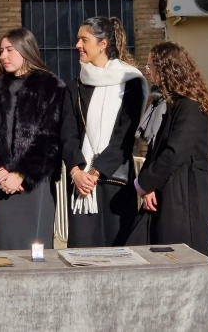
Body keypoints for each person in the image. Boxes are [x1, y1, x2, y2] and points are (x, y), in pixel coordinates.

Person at [0, 28, 65, 251]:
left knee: (35, 252)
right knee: (5, 251)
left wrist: (21, 174)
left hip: (35, 186)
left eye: (9, 50)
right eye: (1, 50)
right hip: (0, 186)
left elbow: (50, 139)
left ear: (26, 50)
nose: (3, 55)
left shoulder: (51, 87)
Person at [60, 16, 148, 248]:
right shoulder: (74, 87)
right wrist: (77, 172)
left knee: (117, 251)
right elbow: (67, 134)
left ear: (103, 44)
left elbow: (126, 134)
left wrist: (95, 172)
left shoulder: (129, 82)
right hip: (81, 183)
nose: (77, 45)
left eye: (84, 40)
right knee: (82, 252)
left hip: (114, 183)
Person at [129, 41, 208, 257]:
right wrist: (148, 187)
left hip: (184, 192)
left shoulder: (191, 106)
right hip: (168, 189)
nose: (148, 73)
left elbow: (175, 152)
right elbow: (156, 146)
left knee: (183, 255)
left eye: (151, 67)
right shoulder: (172, 103)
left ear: (168, 69)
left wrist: (145, 183)